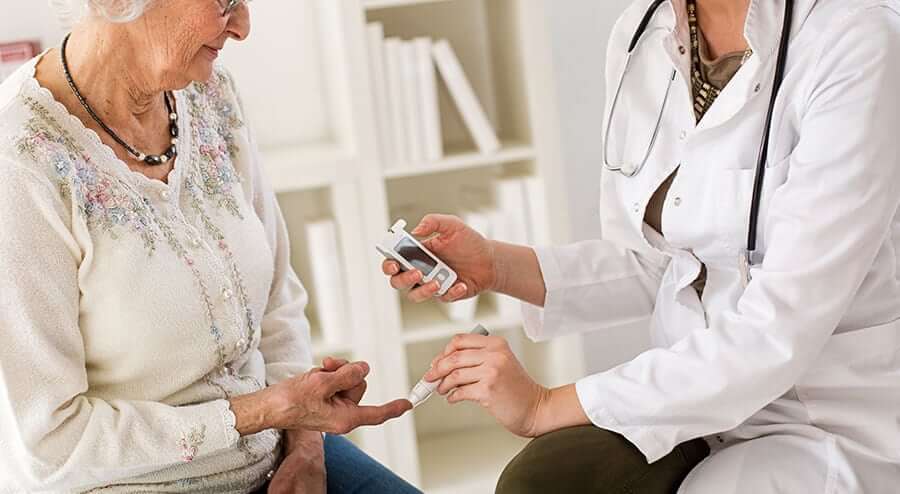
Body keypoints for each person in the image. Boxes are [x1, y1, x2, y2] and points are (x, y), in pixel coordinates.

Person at [382, 0, 900, 492]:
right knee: (543, 481)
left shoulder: (856, 38)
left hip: (824, 420)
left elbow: (779, 328)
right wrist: (497, 265)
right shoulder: (643, 34)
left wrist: (544, 406)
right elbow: (665, 259)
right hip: (689, 400)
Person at [0, 0, 418, 492]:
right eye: (224, 2)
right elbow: (49, 444)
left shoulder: (210, 93)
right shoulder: (20, 162)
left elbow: (278, 297)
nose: (242, 27)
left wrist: (305, 439)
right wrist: (266, 409)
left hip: (279, 449)